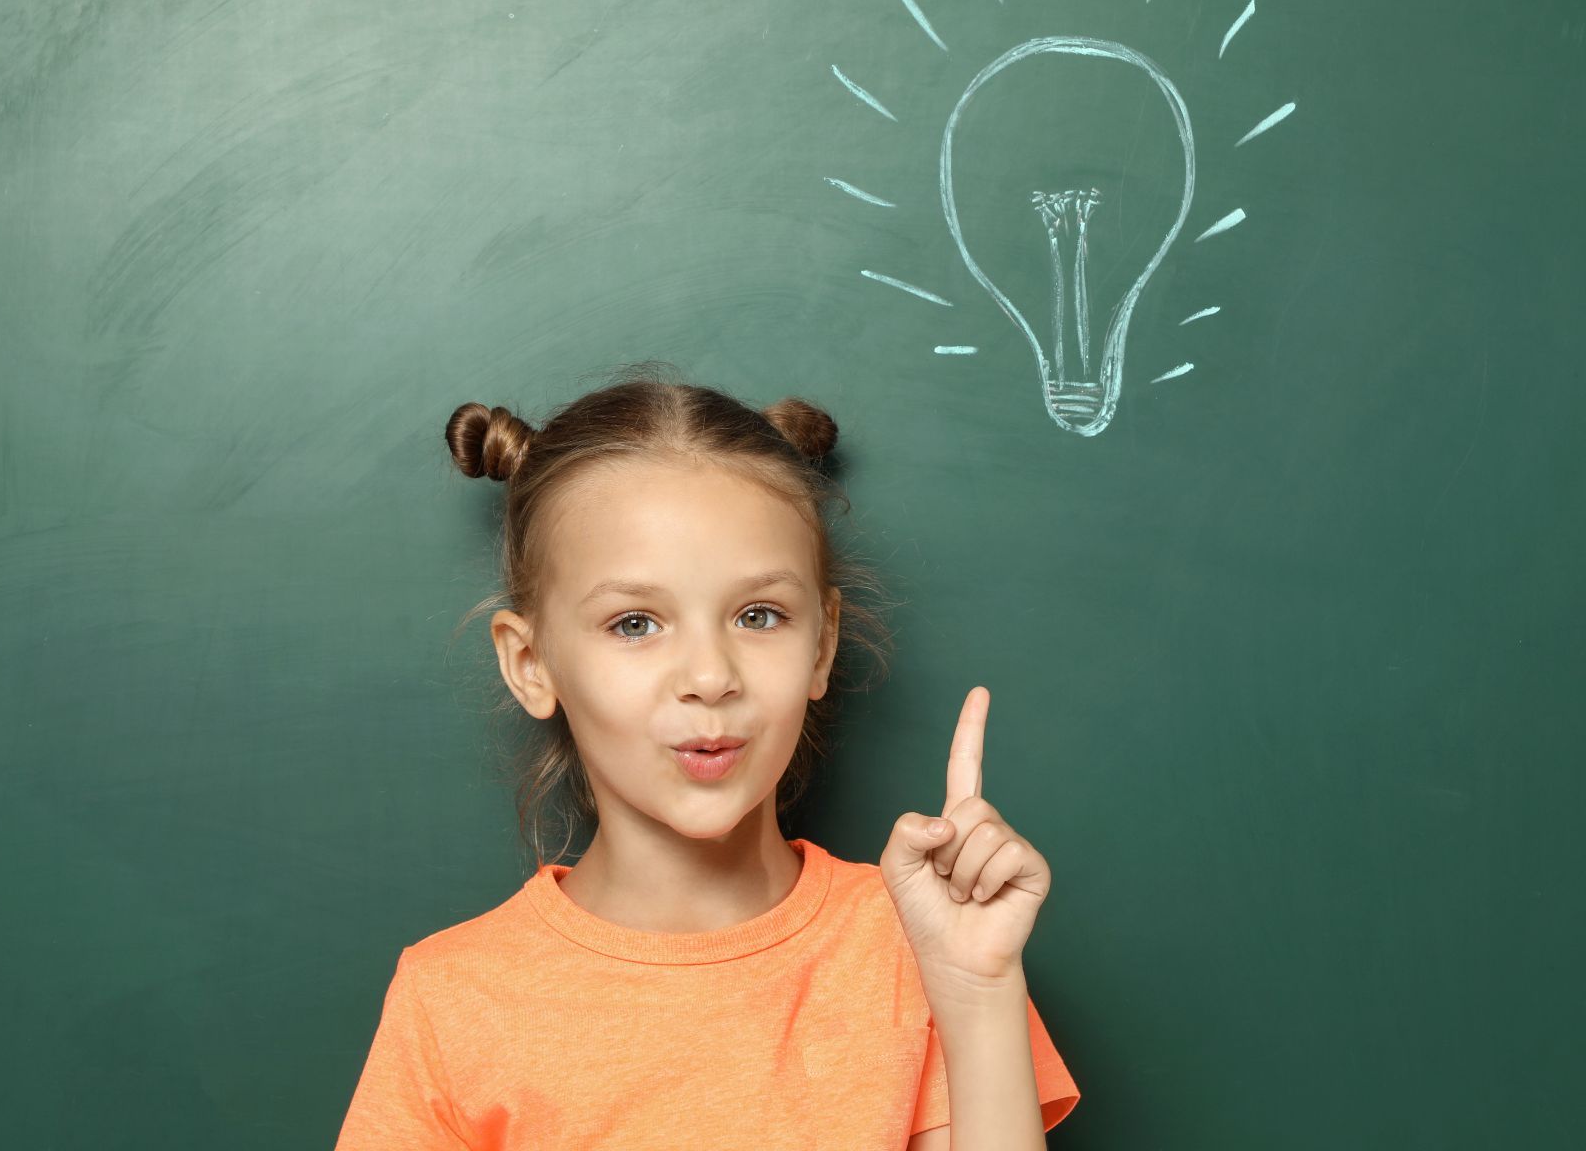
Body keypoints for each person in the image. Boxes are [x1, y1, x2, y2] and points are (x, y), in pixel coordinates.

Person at [334, 362, 1080, 1149]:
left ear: (822, 642)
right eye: (634, 624)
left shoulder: (920, 951)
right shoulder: (453, 1000)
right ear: (531, 664)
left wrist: (975, 989)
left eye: (759, 615)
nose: (710, 678)